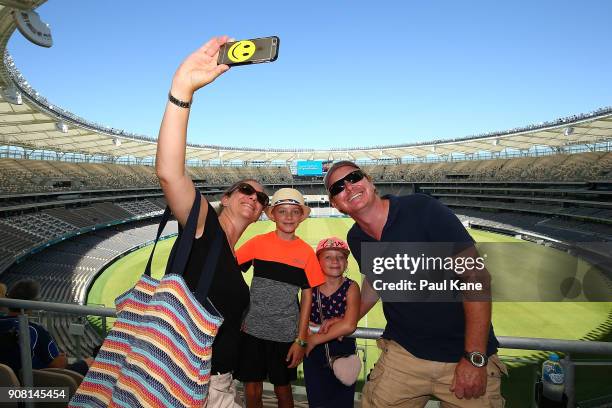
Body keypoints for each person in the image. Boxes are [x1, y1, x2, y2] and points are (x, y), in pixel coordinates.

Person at [322, 161, 506, 408]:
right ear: (335, 203)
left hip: (461, 352)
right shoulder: (356, 237)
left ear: (370, 181)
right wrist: (348, 316)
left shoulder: (422, 209)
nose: (348, 186)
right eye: (337, 188)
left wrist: (474, 358)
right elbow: (377, 280)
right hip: (404, 353)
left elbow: (476, 278)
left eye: (354, 177)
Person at [156, 36, 269, 407]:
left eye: (261, 197)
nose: (254, 198)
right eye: (245, 190)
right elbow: (171, 174)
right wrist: (182, 90)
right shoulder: (205, 225)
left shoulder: (232, 257)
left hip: (214, 379)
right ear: (225, 197)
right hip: (194, 380)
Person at [235, 188, 325, 408]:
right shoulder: (257, 243)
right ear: (272, 214)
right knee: (252, 389)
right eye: (282, 211)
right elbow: (229, 268)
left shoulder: (306, 253)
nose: (288, 217)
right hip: (252, 331)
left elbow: (307, 298)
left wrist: (301, 339)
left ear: (301, 217)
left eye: (294, 212)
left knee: (283, 390)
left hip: (285, 336)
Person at [303, 237, 360, 408]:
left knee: (342, 402)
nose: (335, 261)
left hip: (343, 355)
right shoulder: (309, 288)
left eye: (340, 257)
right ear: (317, 261)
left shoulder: (351, 287)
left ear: (346, 262)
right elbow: (303, 320)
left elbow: (349, 325)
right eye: (328, 257)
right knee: (317, 402)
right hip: (314, 357)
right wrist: (338, 326)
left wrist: (314, 338)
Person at [0, 279, 93, 376]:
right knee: (90, 362)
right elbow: (57, 366)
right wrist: (63, 359)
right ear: (34, 303)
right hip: (34, 385)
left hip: (6, 384)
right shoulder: (35, 331)